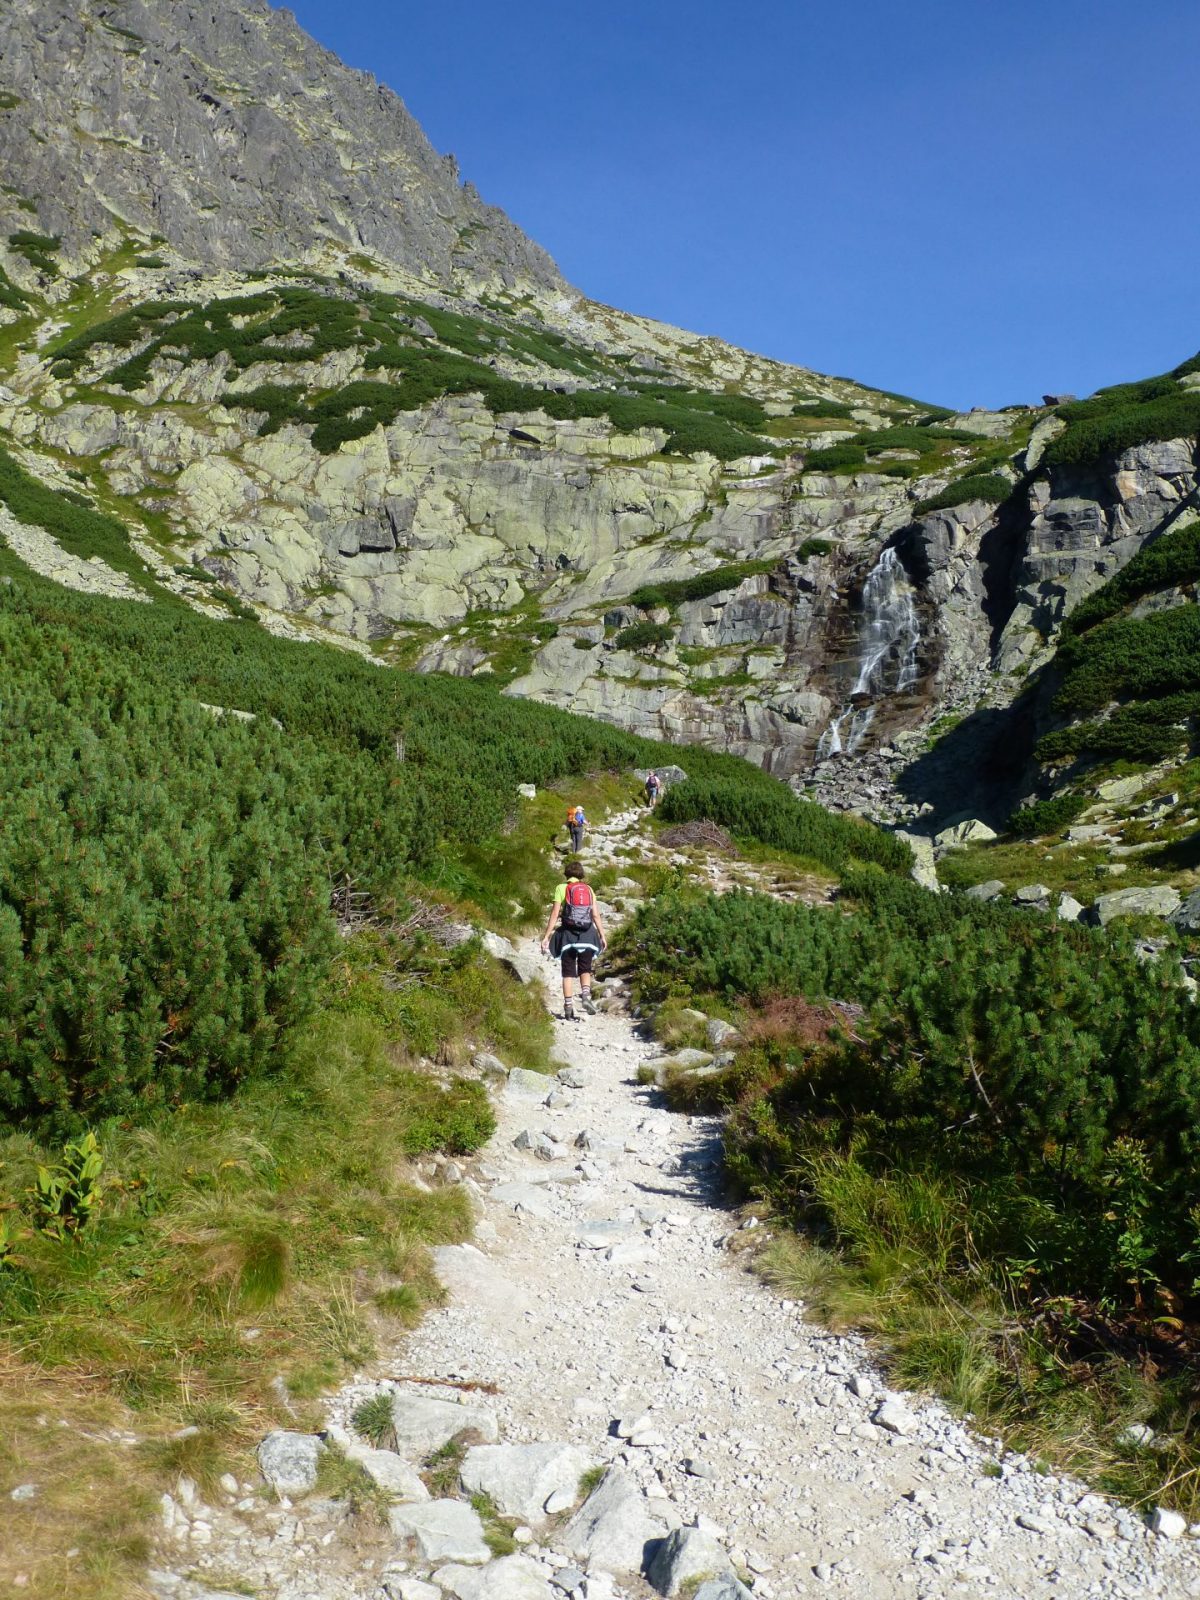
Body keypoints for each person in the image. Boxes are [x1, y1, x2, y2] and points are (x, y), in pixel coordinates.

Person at [540, 860, 606, 1022]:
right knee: (585, 968)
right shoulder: (589, 889)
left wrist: (547, 936)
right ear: (581, 874)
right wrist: (602, 935)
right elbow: (595, 915)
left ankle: (568, 1007)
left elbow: (555, 914)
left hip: (567, 936)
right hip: (588, 935)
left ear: (566, 874)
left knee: (568, 972)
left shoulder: (561, 888)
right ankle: (586, 995)